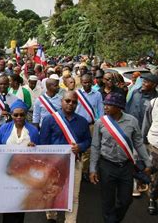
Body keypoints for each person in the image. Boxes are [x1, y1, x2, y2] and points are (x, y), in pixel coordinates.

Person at [90, 93, 152, 223]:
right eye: (105, 104)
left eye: (109, 105)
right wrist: (92, 169)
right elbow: (95, 146)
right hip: (107, 165)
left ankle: (114, 219)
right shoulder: (100, 123)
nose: (105, 107)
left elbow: (139, 143)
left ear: (119, 107)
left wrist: (148, 163)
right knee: (108, 201)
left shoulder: (132, 121)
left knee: (126, 200)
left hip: (126, 166)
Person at [40, 91, 91, 223]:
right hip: (53, 164)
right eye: (67, 101)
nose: (70, 104)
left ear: (77, 104)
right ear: (61, 101)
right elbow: (43, 143)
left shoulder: (82, 122)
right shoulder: (49, 120)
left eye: (74, 102)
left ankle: (70, 220)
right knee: (52, 192)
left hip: (74, 163)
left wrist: (80, 147)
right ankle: (51, 216)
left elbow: (87, 140)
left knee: (74, 196)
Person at [0, 100, 40, 223]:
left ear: (26, 115)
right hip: (7, 172)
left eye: (22, 115)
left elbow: (39, 154)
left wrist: (34, 148)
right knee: (7, 205)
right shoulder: (4, 129)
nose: (19, 117)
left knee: (20, 205)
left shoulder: (33, 131)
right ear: (11, 115)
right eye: (16, 115)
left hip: (24, 174)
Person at [125, 73, 158, 196]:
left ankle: (142, 183)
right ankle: (134, 185)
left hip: (146, 137)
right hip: (131, 132)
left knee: (143, 161)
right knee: (132, 159)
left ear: (154, 85)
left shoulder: (156, 100)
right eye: (143, 81)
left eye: (147, 82)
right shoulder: (135, 93)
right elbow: (127, 110)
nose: (143, 83)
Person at [142, 82, 158, 215]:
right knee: (156, 176)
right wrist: (143, 140)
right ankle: (152, 198)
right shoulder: (154, 103)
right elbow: (147, 122)